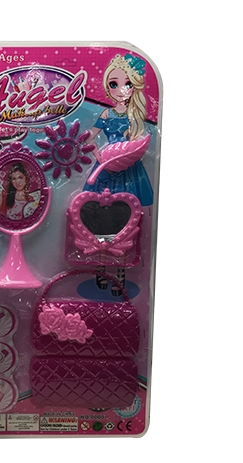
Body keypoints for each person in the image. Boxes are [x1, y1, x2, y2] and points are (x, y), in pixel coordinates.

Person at [84, 53, 153, 295]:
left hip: (128, 170)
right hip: (106, 168)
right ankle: (101, 270)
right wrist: (99, 158)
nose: (120, 90)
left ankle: (121, 273)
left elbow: (140, 143)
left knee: (127, 219)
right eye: (114, 84)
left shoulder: (135, 116)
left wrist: (127, 153)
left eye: (127, 84)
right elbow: (89, 138)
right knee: (101, 219)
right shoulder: (106, 114)